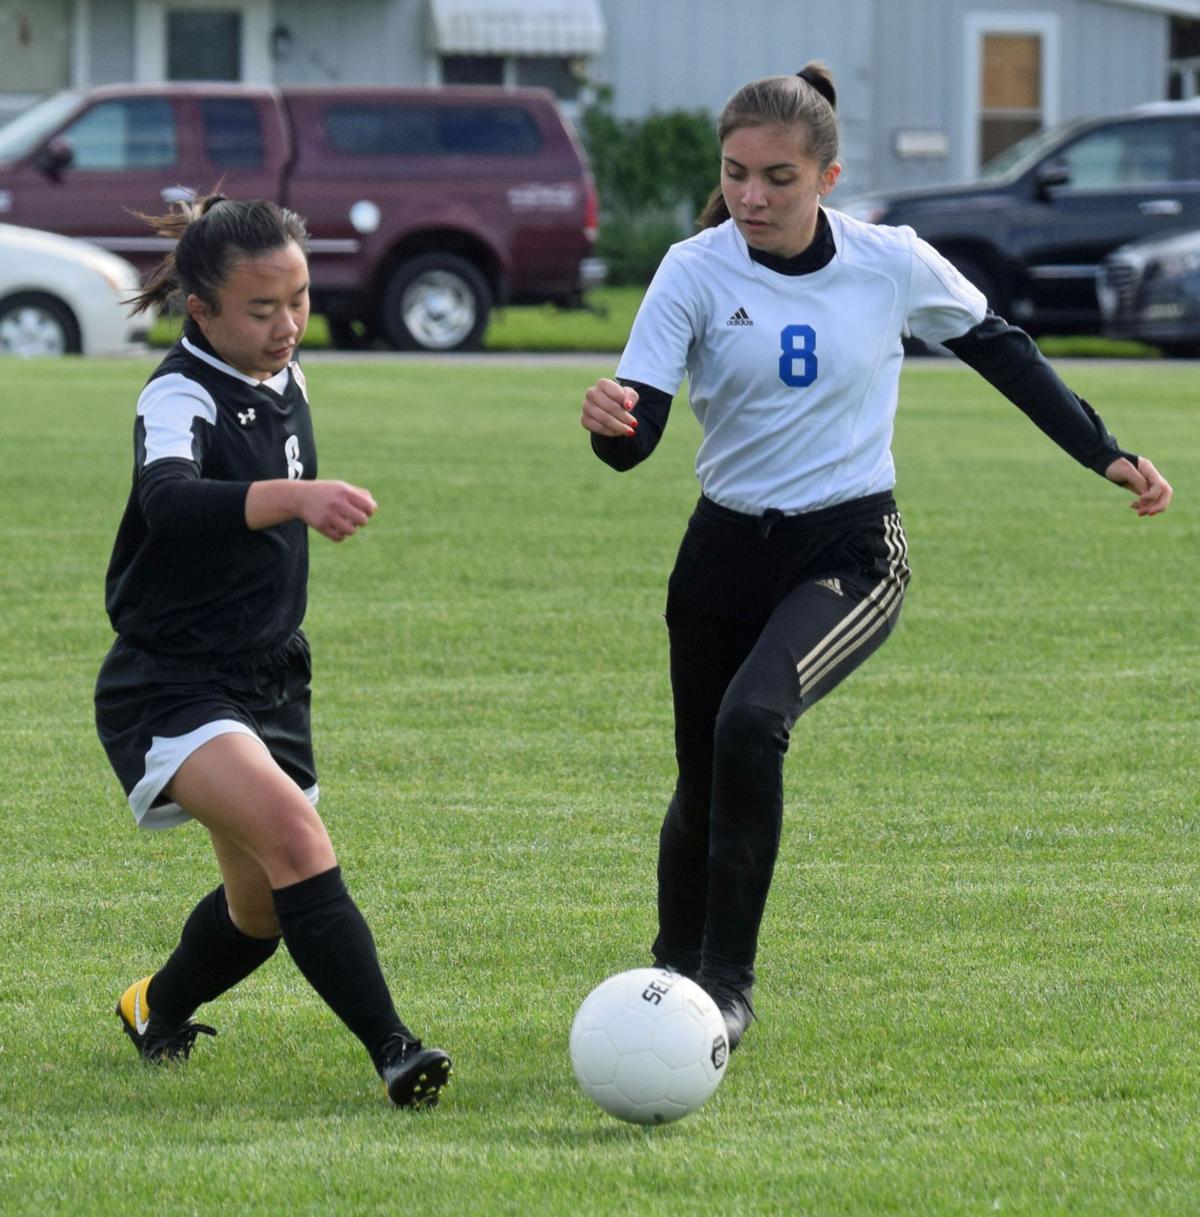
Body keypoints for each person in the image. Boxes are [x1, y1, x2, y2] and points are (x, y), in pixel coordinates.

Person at [580, 65, 1172, 1052]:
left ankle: (726, 984)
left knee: (752, 719)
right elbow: (633, 435)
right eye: (735, 174)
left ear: (828, 175)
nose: (753, 197)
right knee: (701, 777)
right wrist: (608, 424)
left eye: (778, 177)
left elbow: (1002, 349)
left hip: (851, 547)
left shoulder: (889, 259)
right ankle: (670, 974)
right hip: (723, 549)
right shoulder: (693, 267)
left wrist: (1102, 448)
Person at [95, 194, 451, 1107]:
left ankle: (154, 1006)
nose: (289, 323)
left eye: (298, 299)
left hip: (269, 678)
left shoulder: (285, 376)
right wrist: (292, 499)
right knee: (299, 839)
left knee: (259, 911)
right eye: (262, 308)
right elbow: (167, 499)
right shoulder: (178, 393)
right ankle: (395, 1049)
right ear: (201, 310)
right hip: (171, 683)